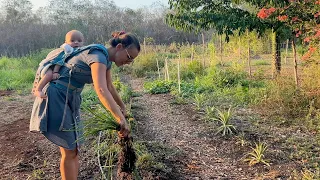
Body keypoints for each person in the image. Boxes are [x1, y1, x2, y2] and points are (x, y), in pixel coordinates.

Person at [29, 31, 140, 180]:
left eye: (132, 60)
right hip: (57, 96)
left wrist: (122, 107)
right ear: (119, 47)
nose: (129, 62)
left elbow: (110, 86)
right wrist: (120, 119)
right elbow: (101, 89)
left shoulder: (106, 61)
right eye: (129, 57)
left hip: (70, 98)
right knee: (69, 150)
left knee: (73, 150)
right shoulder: (98, 55)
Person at [33, 30, 85, 99]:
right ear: (66, 43)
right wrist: (55, 72)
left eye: (79, 41)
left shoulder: (79, 50)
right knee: (49, 75)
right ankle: (38, 90)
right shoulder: (66, 51)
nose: (76, 42)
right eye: (72, 41)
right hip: (50, 65)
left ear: (83, 42)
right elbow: (59, 62)